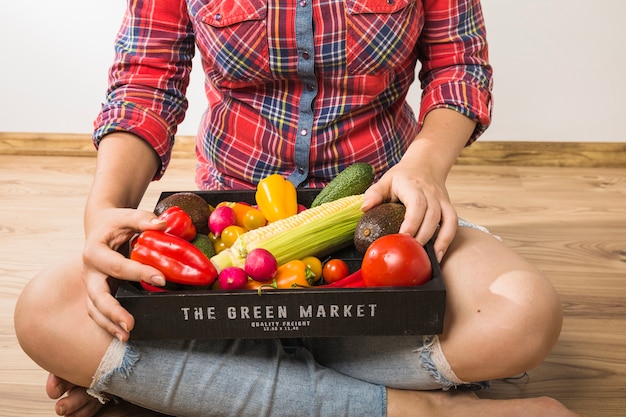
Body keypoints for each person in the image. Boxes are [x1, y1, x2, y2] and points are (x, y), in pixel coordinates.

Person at [14, 0, 581, 416]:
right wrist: (103, 214)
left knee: (525, 314)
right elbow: (144, 86)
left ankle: (197, 385)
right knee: (45, 310)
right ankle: (423, 409)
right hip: (229, 233)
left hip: (379, 214)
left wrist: (426, 164)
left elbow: (460, 69)